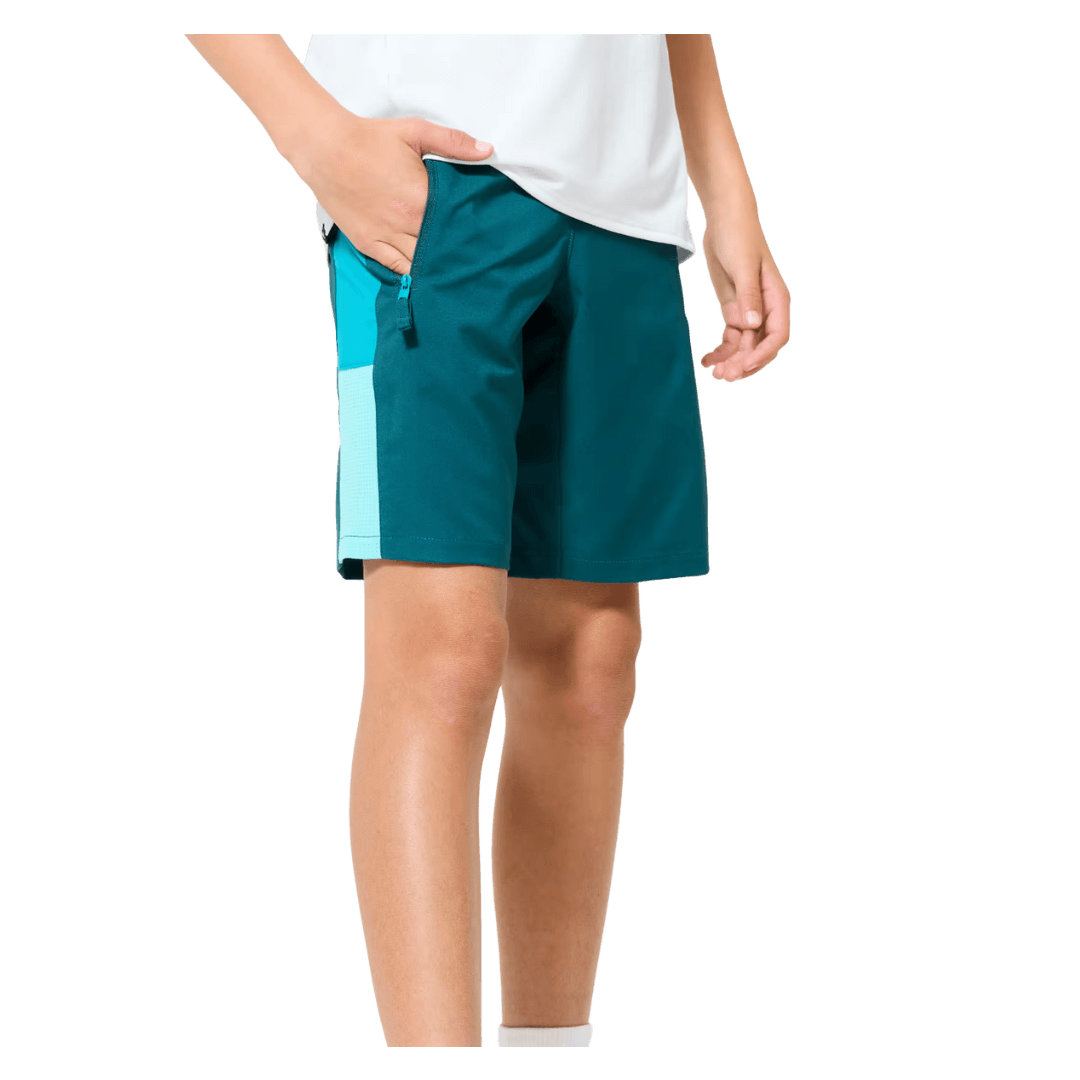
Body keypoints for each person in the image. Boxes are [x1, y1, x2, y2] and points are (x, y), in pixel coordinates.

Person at [183, 32, 791, 1048]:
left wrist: (722, 178)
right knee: (445, 659)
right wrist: (314, 133)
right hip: (428, 187)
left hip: (624, 202)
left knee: (591, 665)